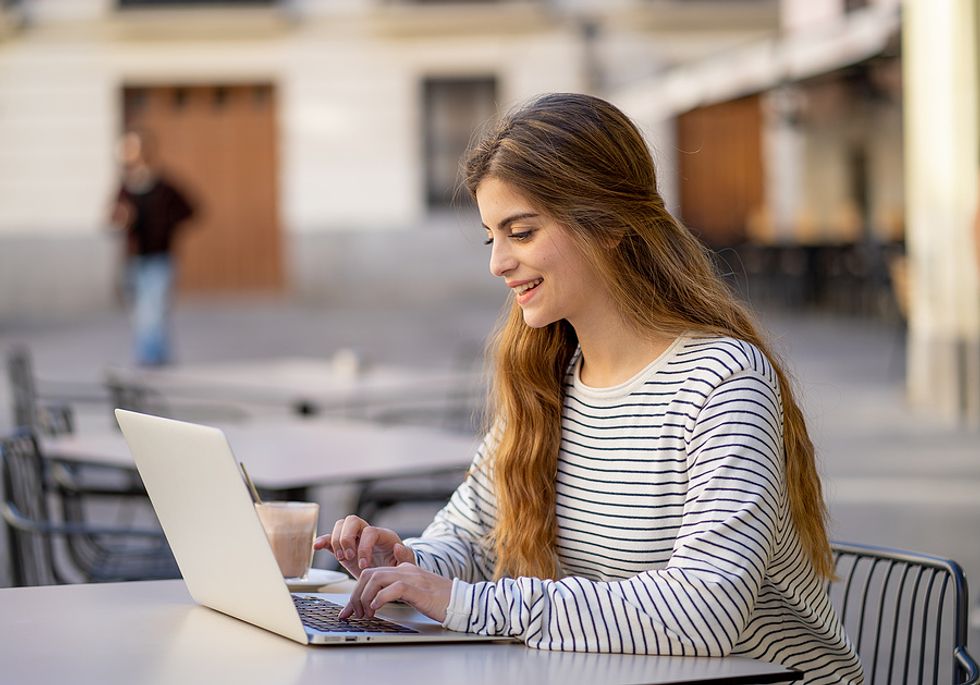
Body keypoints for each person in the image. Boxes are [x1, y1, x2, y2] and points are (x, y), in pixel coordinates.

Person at [314, 93, 863, 684]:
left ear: (609, 224)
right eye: (490, 237)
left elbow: (709, 608)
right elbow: (470, 538)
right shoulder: (547, 379)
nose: (497, 263)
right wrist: (405, 564)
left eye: (520, 232)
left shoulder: (724, 381)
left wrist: (466, 605)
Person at [109, 130, 195, 367]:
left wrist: (165, 225)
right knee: (142, 313)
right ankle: (160, 358)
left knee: (153, 311)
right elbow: (113, 216)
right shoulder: (125, 187)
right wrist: (121, 218)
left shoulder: (162, 186)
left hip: (159, 257)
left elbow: (190, 209)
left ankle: (148, 361)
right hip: (134, 258)